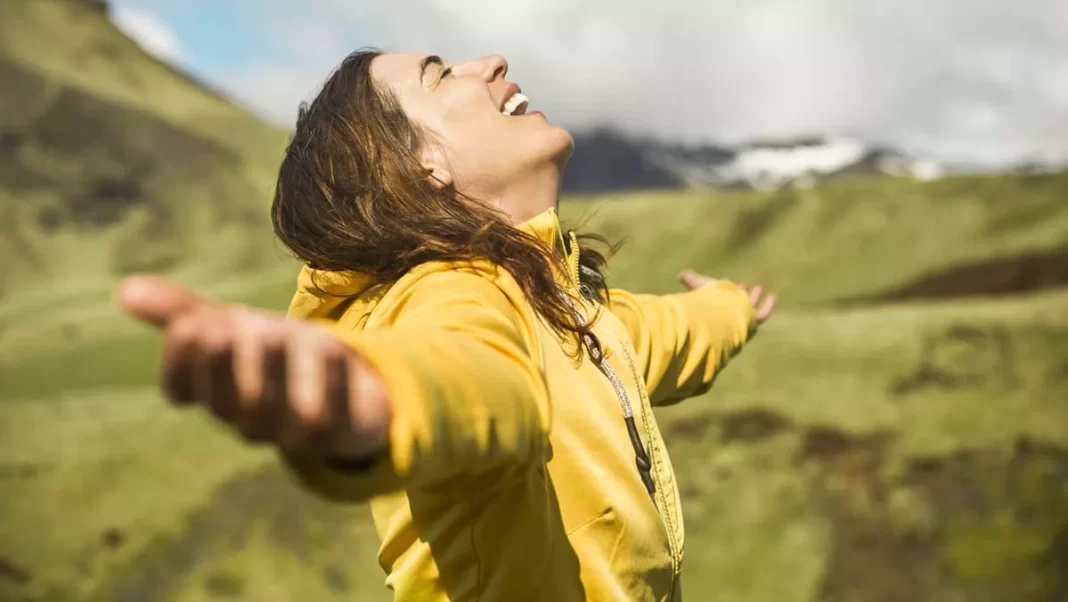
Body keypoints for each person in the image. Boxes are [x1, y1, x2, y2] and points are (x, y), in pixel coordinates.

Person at [119, 49, 776, 601]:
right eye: (439, 74)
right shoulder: (453, 294)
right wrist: (376, 401)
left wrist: (730, 307)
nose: (490, 62)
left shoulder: (563, 302)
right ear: (420, 165)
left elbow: (661, 334)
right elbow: (468, 377)